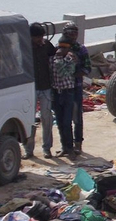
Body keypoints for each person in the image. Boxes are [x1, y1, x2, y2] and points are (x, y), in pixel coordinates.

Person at [24, 23, 57, 159]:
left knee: (46, 118)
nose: (40, 40)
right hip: (30, 88)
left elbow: (55, 57)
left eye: (41, 37)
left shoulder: (47, 46)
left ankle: (47, 148)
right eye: (37, 37)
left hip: (46, 87)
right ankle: (28, 149)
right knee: (29, 119)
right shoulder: (25, 48)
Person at [62, 23, 91, 156]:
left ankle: (78, 144)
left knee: (77, 117)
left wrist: (73, 75)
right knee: (64, 118)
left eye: (75, 33)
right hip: (62, 89)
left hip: (75, 88)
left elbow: (87, 69)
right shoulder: (60, 47)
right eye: (70, 33)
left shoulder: (81, 49)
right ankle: (66, 146)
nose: (73, 36)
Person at [51, 36, 78, 157]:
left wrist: (58, 58)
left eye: (63, 48)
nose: (60, 50)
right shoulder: (53, 59)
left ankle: (70, 148)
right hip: (57, 93)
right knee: (60, 122)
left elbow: (63, 73)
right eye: (59, 47)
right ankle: (64, 147)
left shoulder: (70, 59)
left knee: (67, 122)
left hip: (68, 93)